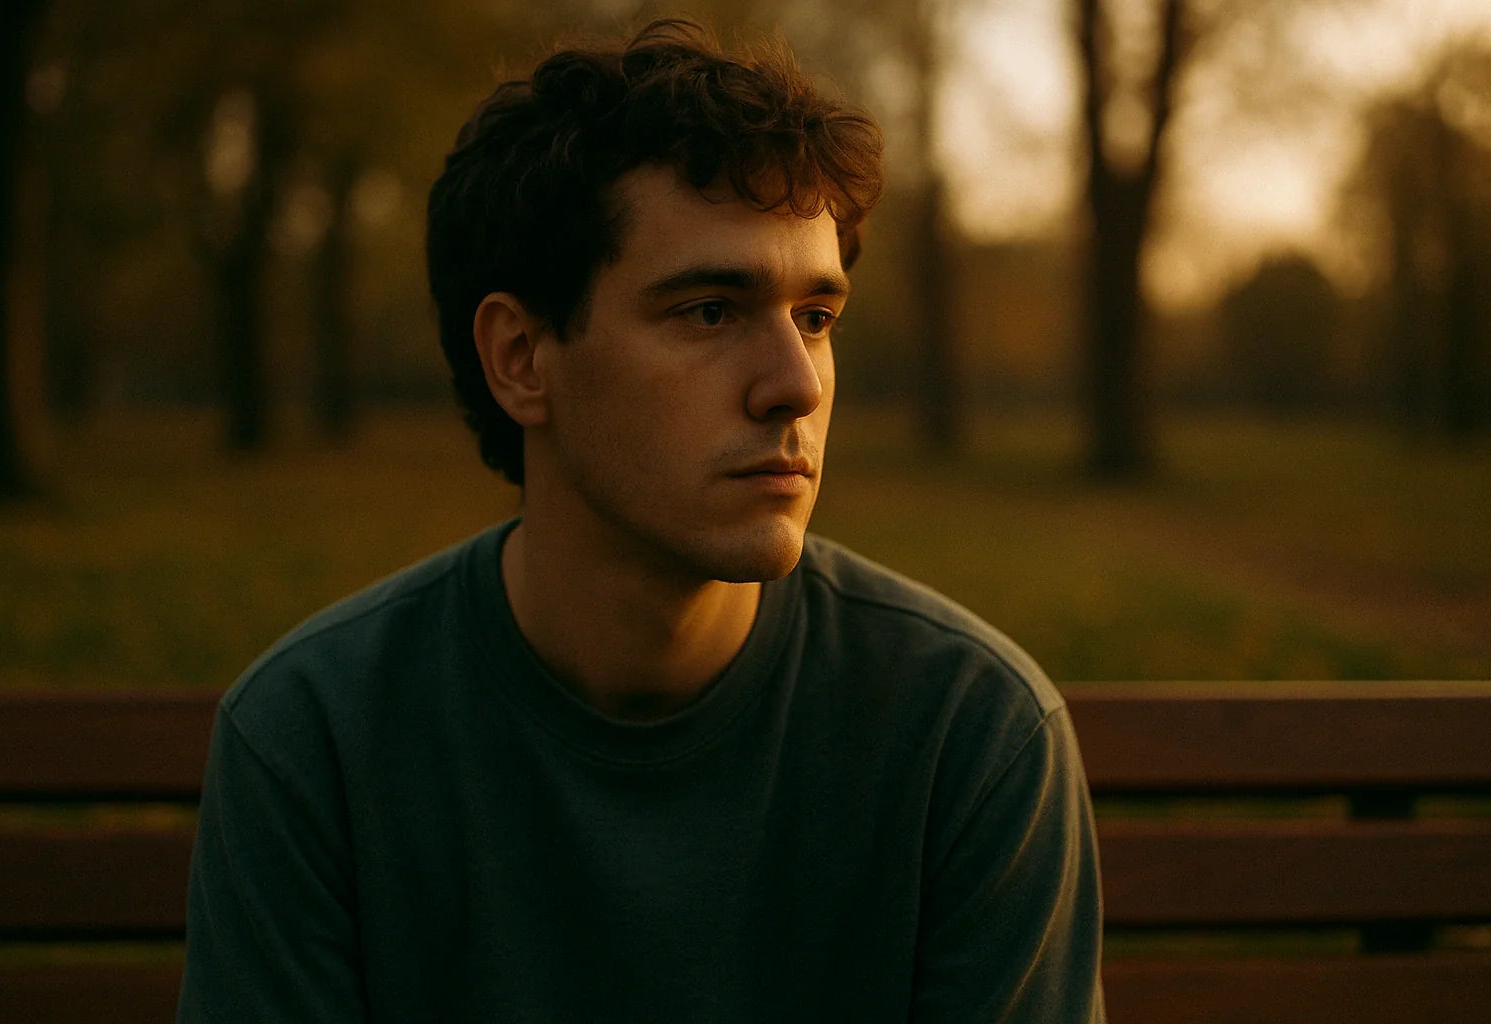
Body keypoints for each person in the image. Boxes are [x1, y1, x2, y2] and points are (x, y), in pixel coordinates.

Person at [178, 19, 1104, 1023]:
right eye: (710, 310)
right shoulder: (316, 740)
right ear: (522, 357)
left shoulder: (971, 737)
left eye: (817, 317)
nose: (795, 385)